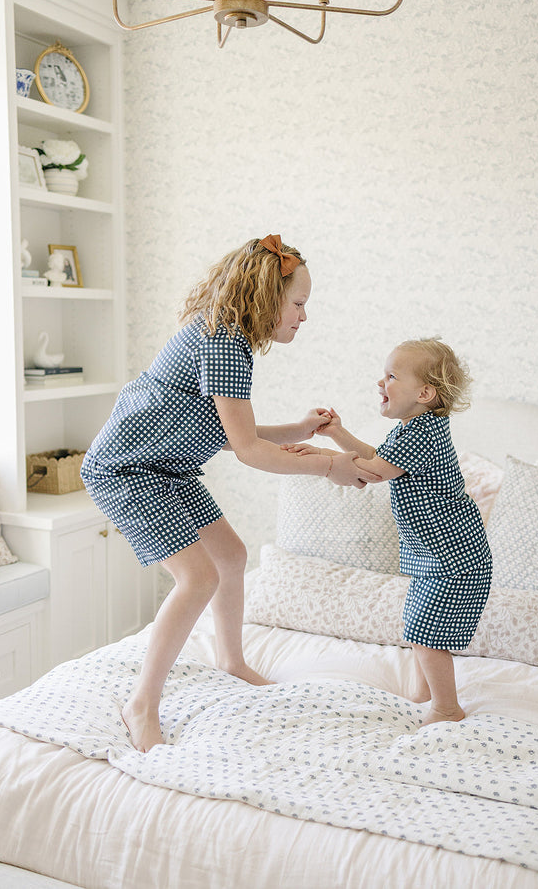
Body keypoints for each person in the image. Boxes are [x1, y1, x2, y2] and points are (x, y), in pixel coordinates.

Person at [81, 235, 379, 752]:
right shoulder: (223, 344)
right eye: (299, 304)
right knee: (197, 579)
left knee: (232, 558)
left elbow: (233, 429)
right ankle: (142, 704)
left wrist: (302, 430)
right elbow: (245, 448)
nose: (303, 317)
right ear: (268, 298)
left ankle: (231, 661)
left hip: (167, 469)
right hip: (128, 470)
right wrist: (329, 465)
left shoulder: (225, 338)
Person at [283, 338, 492, 726]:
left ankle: (447, 706)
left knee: (428, 634)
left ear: (424, 393)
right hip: (439, 556)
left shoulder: (422, 434)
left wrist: (322, 458)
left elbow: (373, 472)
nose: (381, 383)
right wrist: (334, 439)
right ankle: (422, 693)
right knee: (418, 623)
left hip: (453, 559)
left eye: (392, 376)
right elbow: (376, 459)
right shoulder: (413, 428)